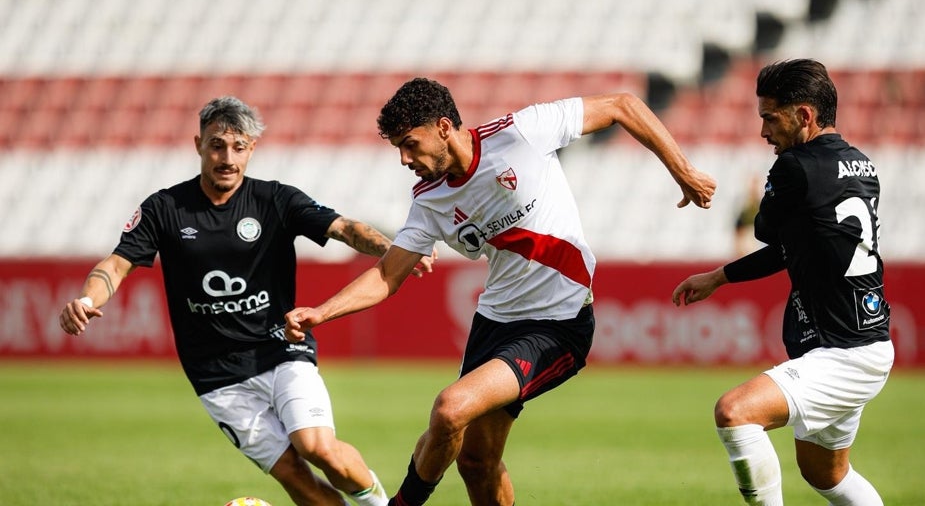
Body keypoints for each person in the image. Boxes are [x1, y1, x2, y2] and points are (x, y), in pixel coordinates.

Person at [283, 77, 717, 505]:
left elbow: (623, 103)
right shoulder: (429, 200)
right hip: (493, 323)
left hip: (558, 324)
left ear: (442, 127)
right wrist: (323, 311)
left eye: (409, 143)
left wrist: (684, 171)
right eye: (397, 147)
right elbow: (387, 275)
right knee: (475, 460)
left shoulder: (521, 133)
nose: (403, 158)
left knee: (450, 409)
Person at [58, 96, 434, 506]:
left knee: (317, 447)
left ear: (252, 149)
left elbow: (344, 228)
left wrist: (391, 248)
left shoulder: (275, 200)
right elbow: (116, 265)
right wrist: (86, 298)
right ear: (198, 144)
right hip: (216, 376)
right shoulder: (165, 209)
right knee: (293, 474)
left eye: (239, 147)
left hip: (282, 350)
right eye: (217, 145)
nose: (227, 157)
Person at [672, 59, 893, 505]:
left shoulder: (796, 166)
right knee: (826, 474)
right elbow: (792, 247)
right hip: (866, 341)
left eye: (770, 118)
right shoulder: (860, 164)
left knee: (735, 413)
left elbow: (765, 230)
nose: (764, 133)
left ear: (804, 116)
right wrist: (720, 276)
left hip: (843, 352)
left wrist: (772, 193)